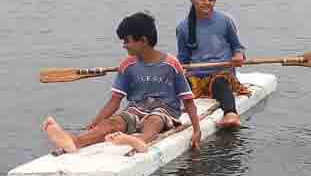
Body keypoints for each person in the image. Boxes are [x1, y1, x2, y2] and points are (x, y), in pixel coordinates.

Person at [42, 12, 201, 156]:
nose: (124, 45)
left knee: (154, 120)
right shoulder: (127, 65)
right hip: (136, 109)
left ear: (143, 40)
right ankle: (74, 142)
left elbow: (187, 100)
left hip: (165, 111)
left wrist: (197, 129)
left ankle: (141, 141)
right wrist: (95, 124)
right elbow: (114, 102)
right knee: (110, 123)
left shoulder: (172, 64)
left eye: (127, 41)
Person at [176, 0, 248, 129]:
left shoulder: (225, 21)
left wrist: (238, 56)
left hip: (221, 73)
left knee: (219, 84)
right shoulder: (183, 27)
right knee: (178, 86)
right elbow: (183, 58)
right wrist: (178, 70)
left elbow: (237, 47)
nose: (207, 3)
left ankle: (230, 114)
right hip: (196, 75)